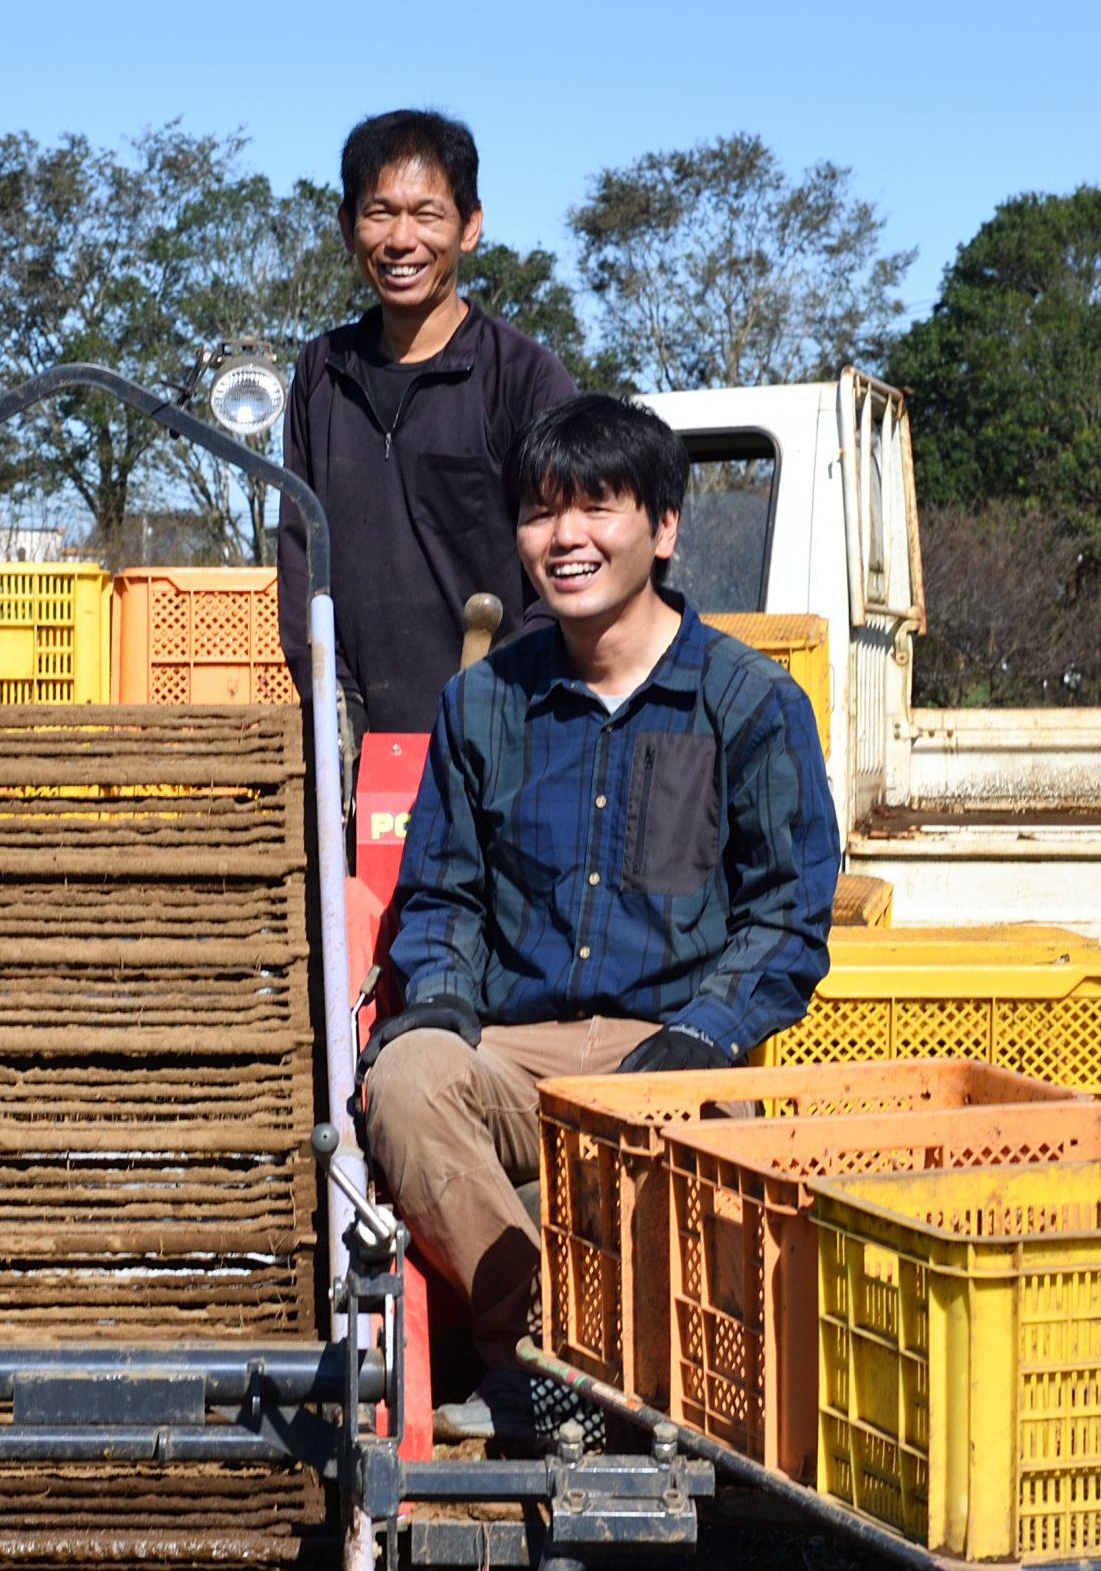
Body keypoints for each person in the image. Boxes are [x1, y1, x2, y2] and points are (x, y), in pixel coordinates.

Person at [359, 395, 839, 1445]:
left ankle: (604, 1378)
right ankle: (541, 1355)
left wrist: (699, 1036)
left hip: (669, 1051)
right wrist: (437, 1000)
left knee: (704, 1149)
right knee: (398, 1080)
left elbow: (786, 920)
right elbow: (440, 893)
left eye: (594, 508)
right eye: (538, 513)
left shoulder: (747, 704)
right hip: (515, 1051)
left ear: (661, 527)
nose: (562, 537)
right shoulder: (482, 702)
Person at [275, 109, 582, 736]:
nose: (400, 239)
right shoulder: (322, 370)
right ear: (346, 226)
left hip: (502, 736)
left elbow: (567, 558)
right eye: (379, 212)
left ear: (469, 227)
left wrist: (504, 704)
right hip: (353, 747)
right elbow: (301, 557)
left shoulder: (523, 376)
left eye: (427, 214)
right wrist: (336, 707)